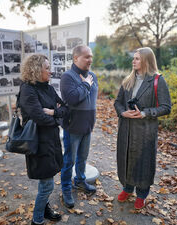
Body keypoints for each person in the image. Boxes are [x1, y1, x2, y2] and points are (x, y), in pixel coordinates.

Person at [114, 47, 171, 209]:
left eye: (137, 58)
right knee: (126, 158)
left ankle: (141, 194)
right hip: (126, 128)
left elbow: (166, 107)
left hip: (145, 130)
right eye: (134, 58)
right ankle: (127, 188)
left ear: (146, 60)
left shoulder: (158, 80)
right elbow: (117, 102)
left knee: (143, 162)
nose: (133, 61)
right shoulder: (128, 80)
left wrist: (145, 113)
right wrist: (123, 112)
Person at [18, 54, 68, 225]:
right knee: (47, 185)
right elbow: (39, 117)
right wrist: (55, 118)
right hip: (38, 144)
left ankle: (44, 209)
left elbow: (65, 108)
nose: (51, 71)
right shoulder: (27, 89)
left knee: (47, 179)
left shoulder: (48, 88)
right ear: (36, 69)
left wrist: (53, 112)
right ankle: (37, 220)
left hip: (51, 141)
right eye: (47, 68)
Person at [60, 45, 98, 208]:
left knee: (82, 158)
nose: (90, 59)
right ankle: (66, 189)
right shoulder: (67, 77)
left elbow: (92, 101)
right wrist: (86, 85)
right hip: (73, 127)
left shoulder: (93, 76)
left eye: (91, 56)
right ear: (76, 58)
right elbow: (73, 98)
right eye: (86, 57)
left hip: (87, 126)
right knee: (69, 160)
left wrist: (88, 84)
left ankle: (80, 181)